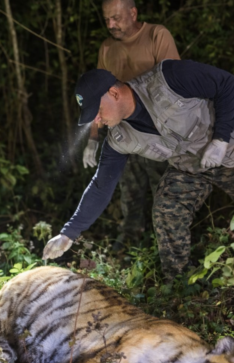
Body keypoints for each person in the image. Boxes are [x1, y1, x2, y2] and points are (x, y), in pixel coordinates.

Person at [44, 59, 234, 281]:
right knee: (166, 210)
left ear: (113, 93)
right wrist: (68, 233)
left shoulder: (169, 78)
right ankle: (180, 285)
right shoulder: (118, 139)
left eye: (97, 110)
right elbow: (101, 185)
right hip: (191, 167)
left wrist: (221, 138)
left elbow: (227, 83)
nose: (97, 120)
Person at [82, 0, 180, 251]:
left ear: (133, 13)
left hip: (157, 133)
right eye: (106, 19)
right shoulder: (107, 48)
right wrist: (93, 138)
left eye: (116, 18)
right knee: (129, 192)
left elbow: (175, 84)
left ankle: (169, 247)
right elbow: (97, 96)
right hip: (123, 135)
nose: (110, 24)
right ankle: (130, 243)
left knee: (165, 193)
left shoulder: (156, 36)